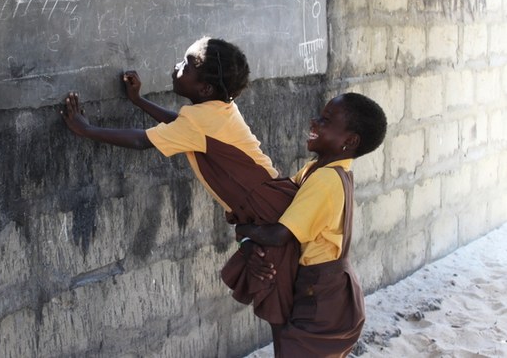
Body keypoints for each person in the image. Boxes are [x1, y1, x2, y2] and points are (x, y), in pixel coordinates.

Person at [61, 36, 299, 324]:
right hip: (271, 201)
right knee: (279, 295)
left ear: (205, 88)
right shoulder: (219, 108)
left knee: (280, 297)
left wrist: (86, 130)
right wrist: (139, 101)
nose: (176, 67)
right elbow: (181, 126)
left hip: (267, 209)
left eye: (185, 66)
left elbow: (141, 141)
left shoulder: (198, 122)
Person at [235, 92, 387, 357]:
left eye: (326, 120)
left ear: (350, 141)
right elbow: (276, 206)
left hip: (324, 294)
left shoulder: (326, 180)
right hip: (320, 288)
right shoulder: (314, 170)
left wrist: (243, 231)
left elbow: (278, 234)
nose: (314, 122)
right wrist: (247, 239)